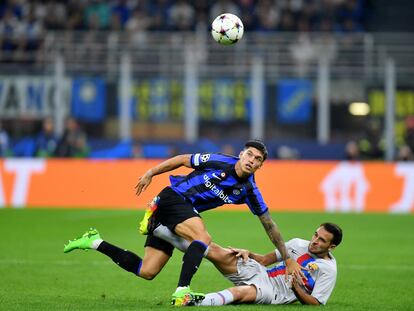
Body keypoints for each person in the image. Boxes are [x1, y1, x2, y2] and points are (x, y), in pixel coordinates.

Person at [64, 139, 303, 306]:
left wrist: (288, 257)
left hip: (178, 214)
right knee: (203, 238)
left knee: (147, 271)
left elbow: (269, 225)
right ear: (242, 154)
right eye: (249, 154)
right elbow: (182, 159)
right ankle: (182, 291)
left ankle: (95, 241)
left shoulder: (249, 191)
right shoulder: (219, 161)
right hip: (173, 198)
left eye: (257, 159)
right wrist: (151, 172)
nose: (252, 160)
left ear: (261, 165)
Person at [63, 222, 341, 306]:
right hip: (261, 271)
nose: (314, 241)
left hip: (275, 291)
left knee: (242, 295)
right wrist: (248, 253)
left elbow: (315, 303)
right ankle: (158, 226)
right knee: (215, 250)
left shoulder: (328, 270)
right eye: (316, 235)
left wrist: (297, 288)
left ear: (332, 246)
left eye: (321, 240)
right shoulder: (297, 243)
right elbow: (268, 259)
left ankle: (195, 301)